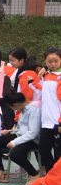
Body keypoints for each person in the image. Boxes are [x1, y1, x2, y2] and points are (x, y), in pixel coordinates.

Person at [0, 92, 41, 183]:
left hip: (33, 140)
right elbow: (21, 128)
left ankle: (34, 174)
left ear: (16, 104)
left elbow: (33, 133)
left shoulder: (34, 110)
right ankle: (0, 172)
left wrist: (14, 142)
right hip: (20, 135)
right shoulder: (23, 109)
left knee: (15, 154)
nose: (11, 109)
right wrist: (11, 133)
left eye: (11, 107)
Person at [33, 47, 61, 177]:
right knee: (43, 150)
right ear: (45, 60)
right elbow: (45, 92)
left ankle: (57, 179)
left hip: (57, 122)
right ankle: (51, 177)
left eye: (56, 61)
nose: (53, 64)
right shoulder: (46, 75)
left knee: (58, 154)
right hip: (46, 122)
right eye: (50, 61)